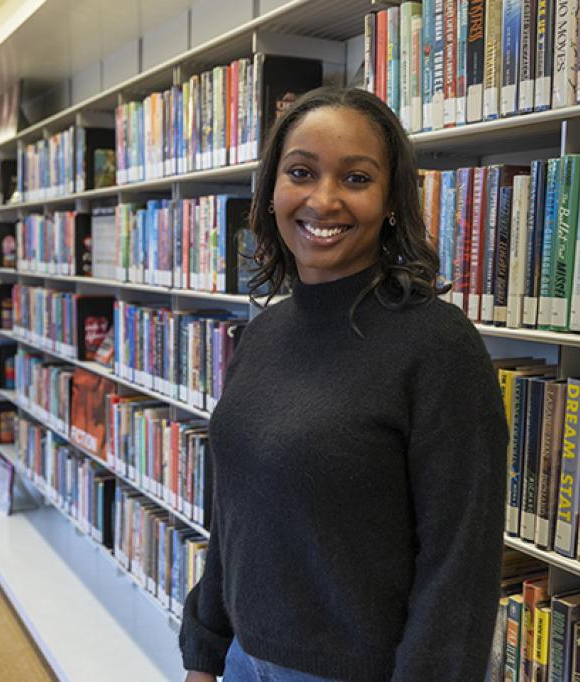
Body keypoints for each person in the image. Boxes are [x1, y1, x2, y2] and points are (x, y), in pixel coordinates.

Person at [179, 86, 508, 681]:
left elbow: (460, 559)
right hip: (243, 659)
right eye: (301, 172)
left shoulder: (438, 345)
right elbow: (236, 512)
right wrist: (205, 651)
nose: (323, 200)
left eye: (356, 178)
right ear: (272, 191)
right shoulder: (264, 333)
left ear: (389, 200)